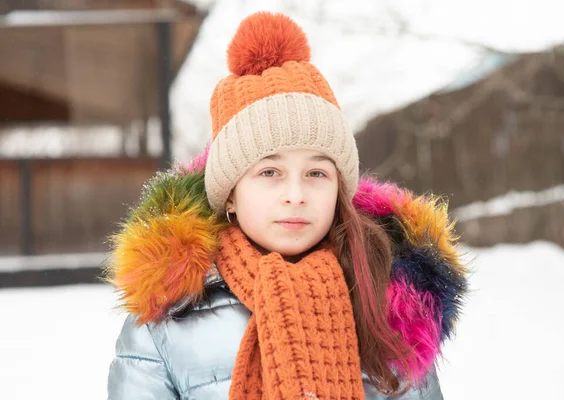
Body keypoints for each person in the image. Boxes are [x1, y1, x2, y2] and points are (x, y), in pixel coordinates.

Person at [105, 11, 467, 400]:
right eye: (269, 173)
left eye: (316, 174)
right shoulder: (167, 317)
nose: (296, 194)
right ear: (230, 194)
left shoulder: (394, 302)